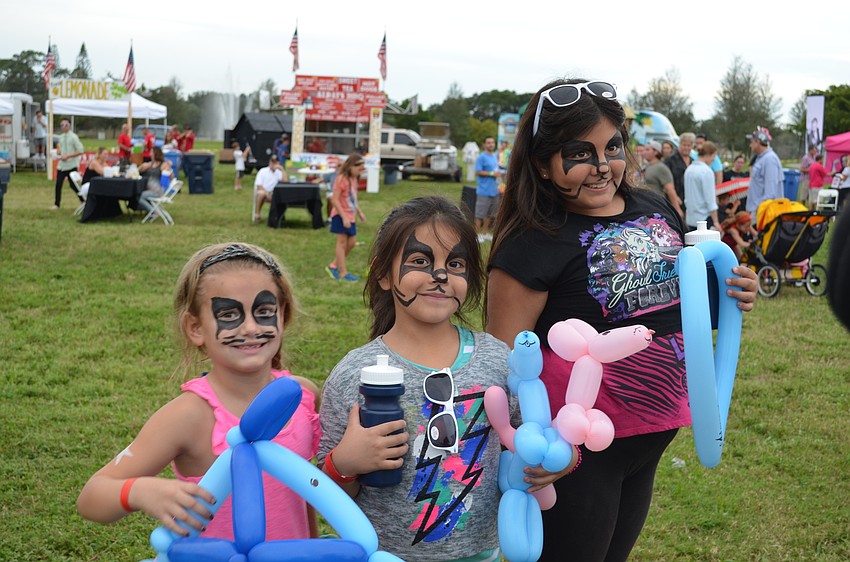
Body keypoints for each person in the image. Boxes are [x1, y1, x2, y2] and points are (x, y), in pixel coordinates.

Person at [485, 78, 758, 562]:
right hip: (576, 454)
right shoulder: (532, 242)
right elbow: (499, 359)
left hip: (652, 432)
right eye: (579, 152)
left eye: (612, 147)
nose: (601, 166)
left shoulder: (652, 207)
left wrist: (733, 292)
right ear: (542, 166)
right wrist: (537, 446)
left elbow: (681, 308)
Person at [318, 195, 530, 561]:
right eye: (420, 261)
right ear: (384, 274)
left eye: (456, 263)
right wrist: (345, 464)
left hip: (481, 554)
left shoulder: (499, 360)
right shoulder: (354, 374)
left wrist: (552, 462)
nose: (441, 276)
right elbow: (326, 494)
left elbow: (527, 439)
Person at [77, 242, 321, 542]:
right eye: (229, 314)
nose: (249, 327)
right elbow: (91, 498)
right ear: (195, 328)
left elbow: (305, 491)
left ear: (282, 315)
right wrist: (139, 491)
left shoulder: (301, 396)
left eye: (264, 311)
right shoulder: (190, 415)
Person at [325, 153, 367, 282]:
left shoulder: (354, 179)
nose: (360, 172)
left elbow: (353, 198)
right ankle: (343, 273)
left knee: (352, 243)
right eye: (358, 169)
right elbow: (335, 200)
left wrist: (359, 212)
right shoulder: (341, 179)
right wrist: (343, 217)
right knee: (342, 243)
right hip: (340, 214)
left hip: (350, 215)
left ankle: (333, 266)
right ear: (351, 166)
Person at [746, 126, 784, 220]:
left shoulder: (770, 159)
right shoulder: (761, 158)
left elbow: (771, 193)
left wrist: (755, 208)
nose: (750, 145)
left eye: (752, 142)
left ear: (758, 142)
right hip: (758, 210)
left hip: (763, 212)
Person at [684, 140, 720, 230]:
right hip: (704, 219)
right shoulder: (707, 171)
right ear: (709, 154)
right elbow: (710, 200)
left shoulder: (689, 169)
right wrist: (716, 221)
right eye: (714, 156)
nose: (714, 159)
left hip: (690, 218)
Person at [474, 136, 503, 241]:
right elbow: (477, 171)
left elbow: (496, 170)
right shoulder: (481, 157)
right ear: (484, 145)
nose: (491, 144)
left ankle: (485, 233)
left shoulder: (494, 157)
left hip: (494, 190)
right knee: (480, 214)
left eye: (492, 142)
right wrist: (492, 173)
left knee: (490, 214)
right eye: (488, 143)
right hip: (483, 191)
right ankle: (476, 235)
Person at [52, 117, 85, 210]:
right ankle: (57, 204)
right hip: (62, 165)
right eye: (62, 125)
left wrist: (69, 156)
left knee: (73, 185)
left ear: (70, 126)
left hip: (71, 165)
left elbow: (80, 150)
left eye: (66, 125)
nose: (64, 127)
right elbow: (60, 148)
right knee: (58, 184)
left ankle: (83, 200)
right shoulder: (61, 137)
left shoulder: (74, 137)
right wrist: (58, 152)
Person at [664, 131, 695, 219]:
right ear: (679, 144)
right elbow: (666, 181)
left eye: (688, 145)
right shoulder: (670, 160)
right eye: (684, 145)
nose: (686, 147)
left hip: (690, 199)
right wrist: (675, 198)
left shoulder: (693, 161)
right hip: (675, 198)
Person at [642, 140, 680, 212]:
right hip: (646, 205)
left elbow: (670, 190)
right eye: (644, 149)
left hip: (657, 206)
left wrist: (677, 209)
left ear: (656, 152)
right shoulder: (645, 166)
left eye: (647, 150)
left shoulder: (661, 168)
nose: (644, 152)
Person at [253, 155, 287, 223]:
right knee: (262, 193)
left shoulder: (279, 172)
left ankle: (280, 215)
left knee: (284, 195)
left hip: (275, 193)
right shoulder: (263, 171)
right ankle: (257, 214)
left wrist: (282, 170)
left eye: (275, 162)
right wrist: (267, 193)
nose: (273, 164)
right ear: (269, 162)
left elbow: (285, 182)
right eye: (272, 162)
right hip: (264, 192)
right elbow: (259, 185)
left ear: (278, 163)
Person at [138, 147, 170, 214]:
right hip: (149, 189)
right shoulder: (150, 164)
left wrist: (168, 168)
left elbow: (169, 175)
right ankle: (151, 210)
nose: (150, 154)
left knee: (140, 197)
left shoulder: (162, 165)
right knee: (137, 194)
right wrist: (143, 167)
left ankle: (153, 211)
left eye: (151, 152)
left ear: (156, 154)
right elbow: (139, 171)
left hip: (156, 191)